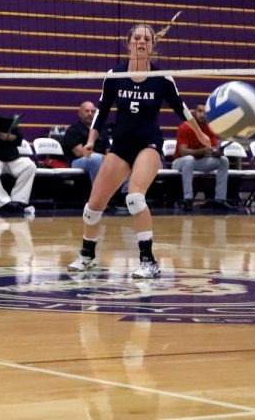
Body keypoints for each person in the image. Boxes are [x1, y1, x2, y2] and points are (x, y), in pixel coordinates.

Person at [67, 24, 210, 279]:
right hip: (120, 146)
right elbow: (102, 111)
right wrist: (91, 139)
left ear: (153, 46)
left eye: (147, 38)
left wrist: (200, 134)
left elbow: (182, 109)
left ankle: (149, 261)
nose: (142, 41)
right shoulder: (114, 75)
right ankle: (87, 256)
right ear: (129, 42)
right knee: (93, 206)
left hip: (149, 145)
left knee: (134, 198)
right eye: (137, 37)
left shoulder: (162, 78)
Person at [172, 103, 232, 211]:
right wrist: (203, 151)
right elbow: (183, 152)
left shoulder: (209, 128)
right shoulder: (185, 127)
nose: (202, 114)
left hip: (198, 162)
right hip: (179, 162)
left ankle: (220, 200)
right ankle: (188, 200)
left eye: (205, 112)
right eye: (200, 111)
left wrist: (217, 152)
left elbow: (213, 148)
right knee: (189, 160)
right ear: (194, 113)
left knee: (223, 160)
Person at [62, 101, 111, 183]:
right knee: (96, 159)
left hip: (101, 159)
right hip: (79, 161)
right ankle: (97, 192)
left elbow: (108, 150)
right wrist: (103, 157)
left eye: (92, 111)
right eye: (87, 111)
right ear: (80, 113)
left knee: (123, 160)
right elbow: (80, 152)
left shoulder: (101, 130)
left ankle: (126, 192)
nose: (90, 114)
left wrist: (112, 158)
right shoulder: (73, 130)